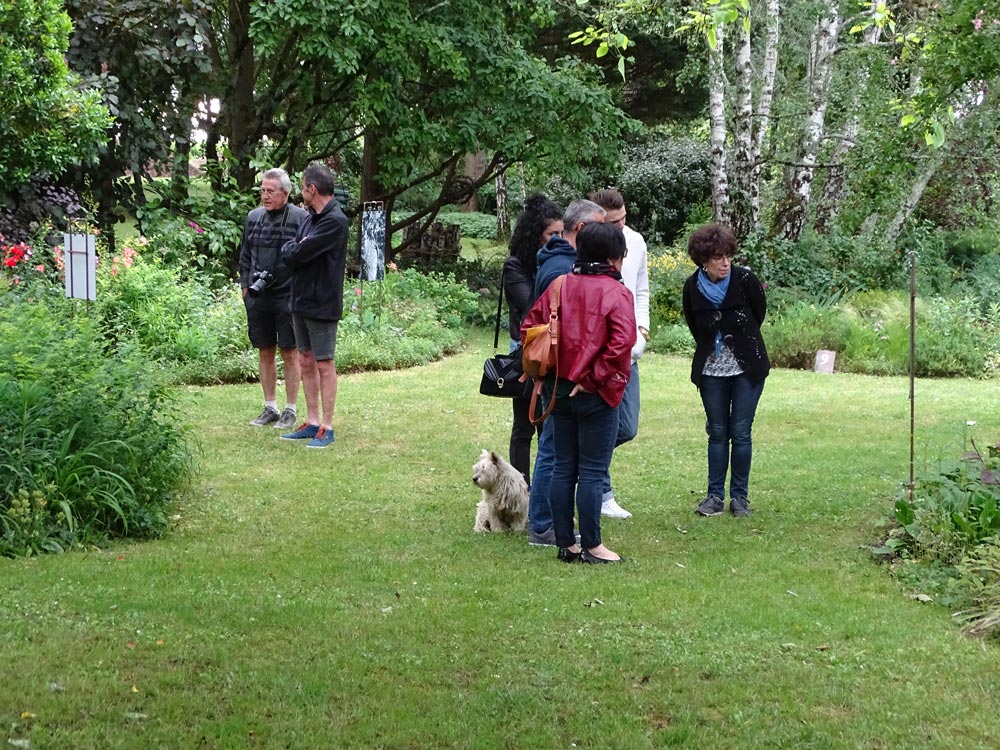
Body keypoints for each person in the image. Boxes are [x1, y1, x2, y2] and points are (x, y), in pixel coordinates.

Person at [521, 222, 635, 563]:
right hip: (594, 394)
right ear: (615, 258)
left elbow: (530, 328)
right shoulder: (617, 293)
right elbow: (622, 343)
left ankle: (565, 545)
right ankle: (592, 546)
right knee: (592, 472)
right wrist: (594, 378)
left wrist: (546, 372)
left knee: (563, 468)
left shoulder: (558, 285)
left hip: (557, 390)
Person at [524, 199, 607, 547]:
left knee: (555, 448)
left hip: (557, 371)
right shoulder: (562, 269)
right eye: (604, 228)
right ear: (583, 231)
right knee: (554, 450)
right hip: (562, 373)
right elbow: (551, 324)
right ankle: (543, 524)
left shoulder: (559, 262)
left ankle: (547, 521)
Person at [682, 224, 770, 517]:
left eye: (728, 256)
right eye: (718, 257)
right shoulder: (692, 287)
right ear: (703, 260)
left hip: (747, 367)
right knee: (718, 432)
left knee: (741, 432)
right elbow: (696, 327)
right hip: (711, 370)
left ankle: (740, 498)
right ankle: (714, 496)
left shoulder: (745, 279)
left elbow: (759, 313)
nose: (725, 262)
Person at [279, 163, 349, 449]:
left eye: (302, 186)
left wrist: (297, 249)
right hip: (300, 300)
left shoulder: (335, 221)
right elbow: (292, 250)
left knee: (324, 363)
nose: (300, 191)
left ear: (312, 189)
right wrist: (296, 249)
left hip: (322, 303)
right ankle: (312, 422)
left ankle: (327, 428)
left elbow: (299, 252)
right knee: (305, 359)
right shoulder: (309, 218)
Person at [589, 189, 650, 519]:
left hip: (630, 351)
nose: (621, 227)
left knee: (626, 427)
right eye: (614, 223)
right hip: (601, 353)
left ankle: (583, 467)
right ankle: (601, 491)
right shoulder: (589, 247)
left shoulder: (636, 242)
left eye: (624, 220)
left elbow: (641, 289)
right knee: (603, 422)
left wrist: (642, 330)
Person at [238, 168, 308, 429]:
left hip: (288, 295)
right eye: (262, 191)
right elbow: (245, 256)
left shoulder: (301, 218)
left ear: (286, 193)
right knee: (264, 349)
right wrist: (245, 289)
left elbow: (306, 258)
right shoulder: (253, 217)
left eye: (270, 191)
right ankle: (270, 406)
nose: (265, 196)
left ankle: (290, 409)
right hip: (258, 295)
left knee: (290, 351)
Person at [503, 194, 564, 486]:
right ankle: (521, 491)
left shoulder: (559, 263)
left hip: (556, 348)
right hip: (527, 351)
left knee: (549, 426)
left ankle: (545, 490)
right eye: (553, 234)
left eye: (562, 233)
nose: (559, 240)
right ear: (536, 235)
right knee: (525, 425)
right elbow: (530, 308)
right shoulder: (516, 266)